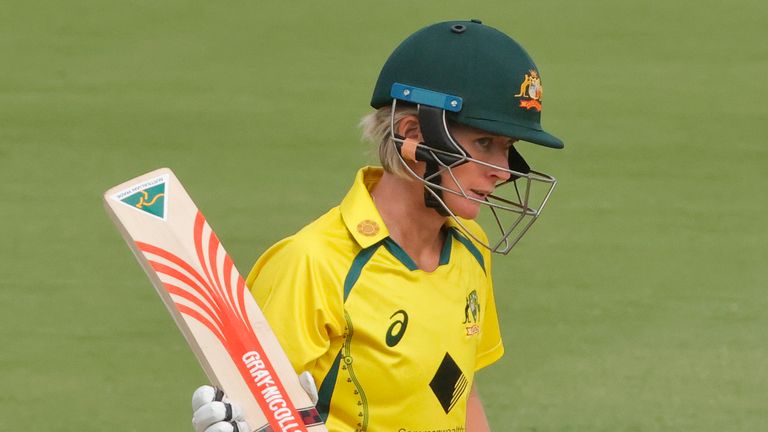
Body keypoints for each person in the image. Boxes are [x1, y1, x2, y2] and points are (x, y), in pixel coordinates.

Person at [192, 19, 563, 432]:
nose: (503, 171)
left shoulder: (470, 246)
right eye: (483, 144)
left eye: (507, 148)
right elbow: (260, 410)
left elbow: (462, 393)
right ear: (412, 135)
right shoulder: (311, 265)